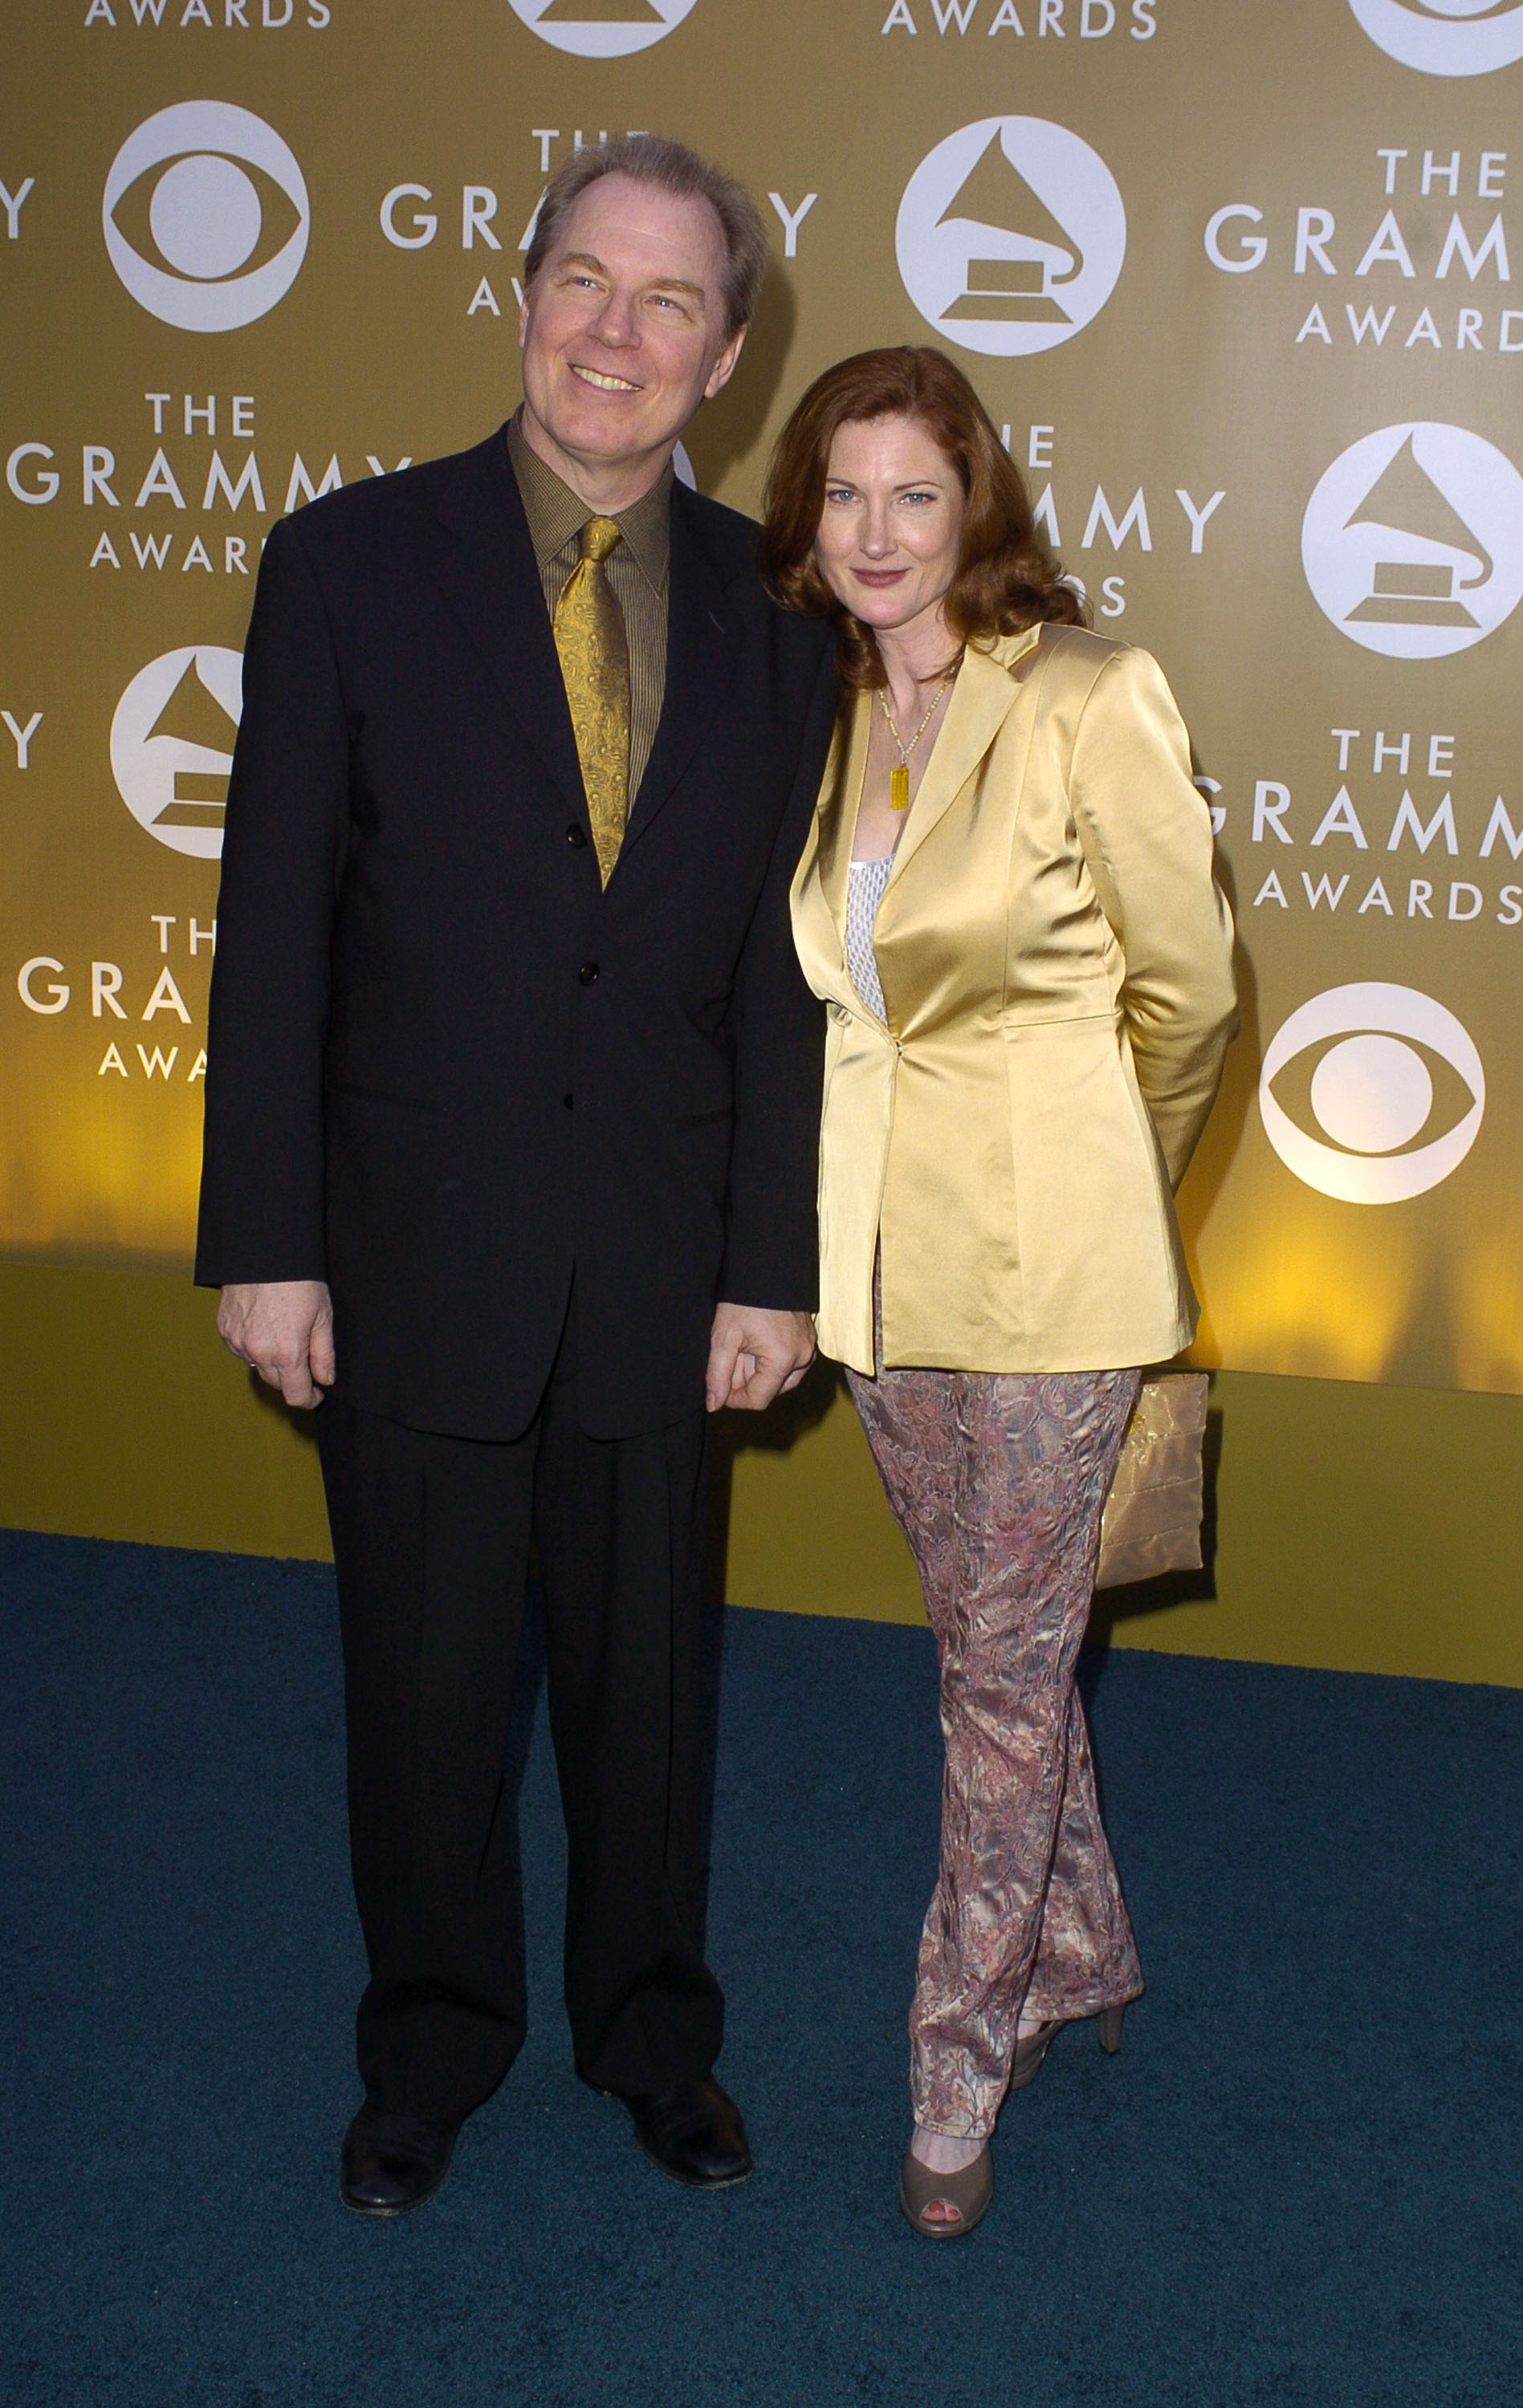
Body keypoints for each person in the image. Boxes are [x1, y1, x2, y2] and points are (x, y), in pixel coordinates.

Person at [196, 136, 837, 2216]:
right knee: (424, 1686)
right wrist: (268, 1243)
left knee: (651, 1704)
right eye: (586, 279)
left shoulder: (781, 621)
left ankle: (654, 2035)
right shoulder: (346, 564)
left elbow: (777, 983)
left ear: (726, 358)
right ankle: (429, 2047)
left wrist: (773, 1269)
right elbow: (273, 929)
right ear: (523, 290)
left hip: (666, 1255)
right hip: (410, 1248)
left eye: (669, 303)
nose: (615, 334)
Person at [761, 347, 1237, 2239]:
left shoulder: (1086, 695)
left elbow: (1186, 1002)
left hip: (1053, 1282)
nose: (876, 533)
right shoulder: (819, 709)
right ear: (808, 516)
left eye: (914, 495)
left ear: (978, 512)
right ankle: (1082, 1947)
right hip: (878, 1272)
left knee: (999, 1688)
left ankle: (954, 2061)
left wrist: (1110, 1187)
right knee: (997, 1650)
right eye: (842, 494)